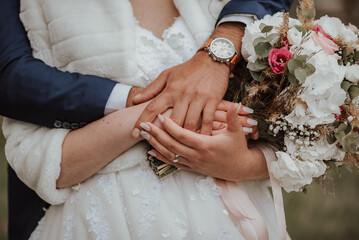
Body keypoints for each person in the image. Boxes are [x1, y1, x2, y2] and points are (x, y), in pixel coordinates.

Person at [1, 0, 292, 239]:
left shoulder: (240, 16)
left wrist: (242, 164)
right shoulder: (39, 12)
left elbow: (284, 135)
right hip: (103, 219)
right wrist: (159, 109)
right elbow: (35, 151)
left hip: (230, 216)